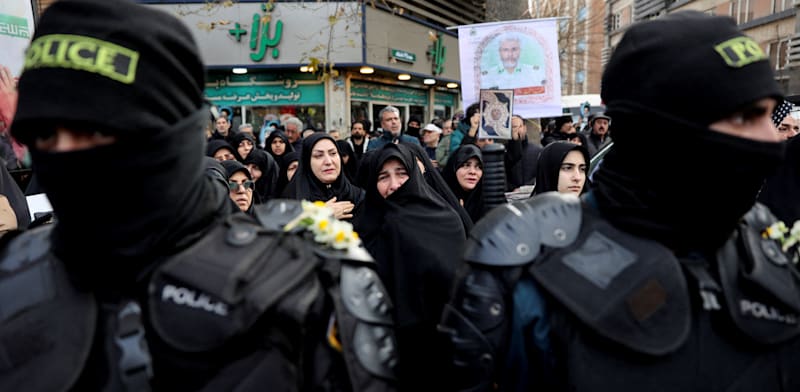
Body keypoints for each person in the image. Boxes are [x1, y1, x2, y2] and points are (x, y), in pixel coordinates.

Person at [0, 1, 398, 390]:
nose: (67, 157)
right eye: (46, 135)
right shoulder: (14, 274)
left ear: (173, 135)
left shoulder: (298, 283)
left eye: (95, 132)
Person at [440, 11, 800, 391]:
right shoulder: (526, 263)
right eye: (746, 117)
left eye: (769, 115)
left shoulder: (765, 244)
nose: (773, 139)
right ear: (664, 130)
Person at [353, 143, 465, 390]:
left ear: (415, 174)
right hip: (380, 348)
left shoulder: (445, 220)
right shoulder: (365, 224)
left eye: (401, 173)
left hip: (434, 348)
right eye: (383, 177)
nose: (393, 184)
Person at [282, 133, 364, 220]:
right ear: (307, 162)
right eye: (319, 156)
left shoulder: (358, 197)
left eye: (333, 153)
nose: (328, 161)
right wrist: (319, 215)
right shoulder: (292, 199)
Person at [480, 32, 546, 91]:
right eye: (505, 50)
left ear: (520, 51)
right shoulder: (487, 76)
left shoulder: (535, 73)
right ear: (499, 52)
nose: (510, 54)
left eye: (514, 49)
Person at [442, 144, 486, 224]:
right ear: (454, 168)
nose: (472, 172)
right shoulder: (441, 199)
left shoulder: (487, 201)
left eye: (478, 167)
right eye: (466, 165)